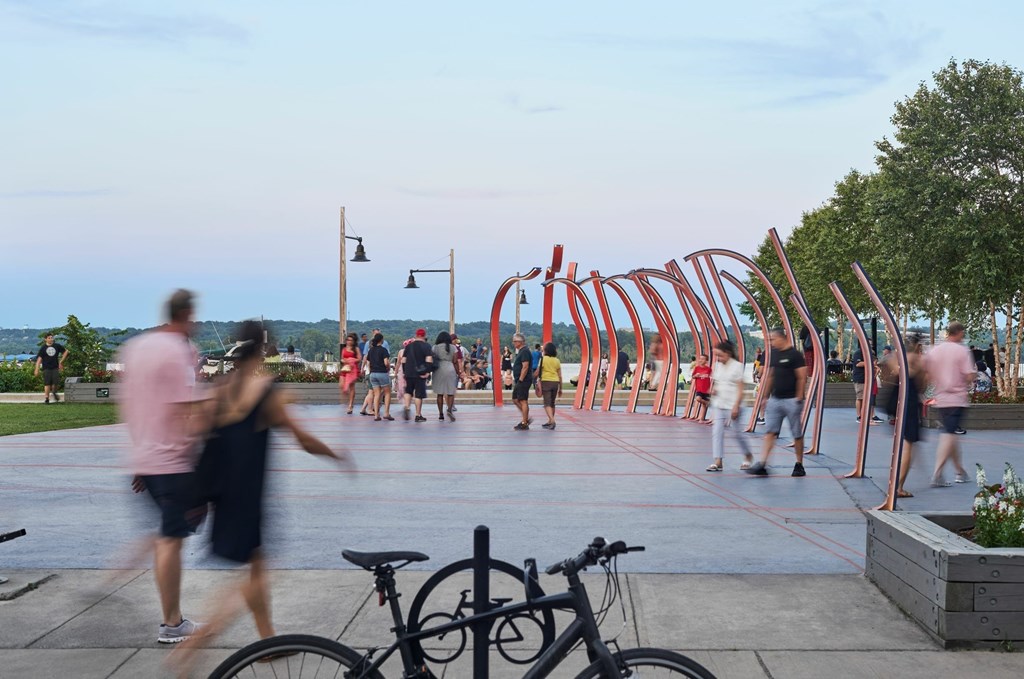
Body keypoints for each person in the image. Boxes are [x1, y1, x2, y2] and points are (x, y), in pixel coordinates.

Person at [176, 320, 352, 667]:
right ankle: (195, 644)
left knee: (255, 568)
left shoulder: (222, 387)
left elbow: (196, 433)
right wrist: (338, 455)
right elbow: (303, 440)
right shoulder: (264, 392)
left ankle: (267, 642)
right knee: (251, 581)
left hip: (222, 495)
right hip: (247, 497)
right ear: (264, 350)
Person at [118, 289, 206, 644]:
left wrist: (140, 456)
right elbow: (186, 408)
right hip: (173, 461)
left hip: (146, 459)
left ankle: (172, 617)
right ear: (186, 314)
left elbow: (134, 405)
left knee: (168, 535)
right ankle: (172, 624)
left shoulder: (136, 348)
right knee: (170, 538)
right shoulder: (180, 351)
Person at [747, 328, 808, 477]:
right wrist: (765, 396)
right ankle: (763, 464)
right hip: (775, 399)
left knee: (796, 433)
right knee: (770, 432)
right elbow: (770, 376)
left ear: (782, 338)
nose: (771, 342)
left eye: (772, 339)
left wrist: (799, 397)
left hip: (792, 399)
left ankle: (799, 464)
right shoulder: (773, 354)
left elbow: (802, 376)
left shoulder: (795, 355)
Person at [926, 321, 975, 487]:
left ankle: (960, 471)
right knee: (948, 433)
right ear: (959, 332)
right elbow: (968, 375)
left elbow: (928, 373)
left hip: (941, 398)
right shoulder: (962, 350)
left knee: (951, 432)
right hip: (957, 398)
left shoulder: (935, 350)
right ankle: (937, 473)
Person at [706, 340, 753, 472]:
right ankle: (718, 461)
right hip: (720, 404)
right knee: (717, 432)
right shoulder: (718, 366)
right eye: (716, 356)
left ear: (728, 353)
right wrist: (714, 390)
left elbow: (740, 388)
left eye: (720, 355)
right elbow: (717, 382)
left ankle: (748, 456)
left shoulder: (737, 366)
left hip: (734, 405)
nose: (718, 359)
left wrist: (736, 406)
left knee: (737, 434)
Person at [893, 335, 926, 498]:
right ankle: (898, 487)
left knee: (901, 444)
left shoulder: (898, 358)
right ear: (917, 346)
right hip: (911, 404)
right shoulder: (916, 360)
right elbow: (922, 384)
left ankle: (895, 482)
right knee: (908, 446)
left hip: (898, 403)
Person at [401, 328, 434, 422]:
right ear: (424, 335)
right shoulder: (426, 346)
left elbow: (403, 360)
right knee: (418, 395)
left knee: (408, 391)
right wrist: (427, 371)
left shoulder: (409, 346)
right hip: (420, 374)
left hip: (409, 372)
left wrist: (405, 371)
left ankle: (407, 407)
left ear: (416, 335)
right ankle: (418, 414)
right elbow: (429, 360)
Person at [365, 333, 393, 420]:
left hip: (373, 374)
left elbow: (368, 363)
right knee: (387, 393)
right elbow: (386, 362)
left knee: (376, 395)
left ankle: (376, 415)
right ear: (381, 340)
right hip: (382, 373)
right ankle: (386, 413)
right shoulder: (384, 350)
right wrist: (388, 367)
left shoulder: (371, 350)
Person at [34, 333, 69, 404]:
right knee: (47, 384)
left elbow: (66, 352)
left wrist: (61, 362)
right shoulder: (43, 348)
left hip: (55, 367)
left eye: (52, 338)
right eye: (49, 338)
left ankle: (54, 392)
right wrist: (36, 369)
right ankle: (47, 398)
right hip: (46, 368)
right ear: (45, 339)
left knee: (55, 383)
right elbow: (39, 360)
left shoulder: (57, 346)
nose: (51, 339)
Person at [432, 331, 459, 421]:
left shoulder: (435, 347)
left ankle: (440, 414)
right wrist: (458, 372)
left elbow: (432, 359)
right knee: (450, 392)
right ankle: (449, 410)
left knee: (440, 393)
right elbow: (455, 361)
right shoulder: (453, 347)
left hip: (438, 369)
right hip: (450, 368)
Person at [536, 342, 563, 429]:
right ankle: (550, 421)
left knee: (547, 403)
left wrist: (531, 376)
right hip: (555, 382)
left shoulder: (543, 359)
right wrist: (561, 388)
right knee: (552, 403)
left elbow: (537, 372)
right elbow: (560, 376)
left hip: (546, 382)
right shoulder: (557, 360)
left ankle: (552, 421)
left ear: (546, 350)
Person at [511, 333, 532, 430]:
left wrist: (521, 379)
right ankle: (526, 418)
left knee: (523, 400)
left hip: (523, 380)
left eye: (515, 341)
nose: (513, 343)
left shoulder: (524, 351)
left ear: (520, 342)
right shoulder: (521, 351)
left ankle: (524, 422)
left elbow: (525, 366)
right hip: (519, 380)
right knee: (515, 399)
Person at [339, 333, 362, 414]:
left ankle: (350, 405)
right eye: (348, 340)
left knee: (351, 387)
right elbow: (342, 358)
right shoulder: (344, 349)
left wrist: (352, 360)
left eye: (351, 340)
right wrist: (344, 361)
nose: (349, 341)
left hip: (352, 370)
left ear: (353, 341)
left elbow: (359, 358)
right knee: (342, 385)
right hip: (345, 369)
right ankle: (348, 400)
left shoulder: (356, 349)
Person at [688, 354, 712, 422]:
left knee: (703, 405)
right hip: (699, 388)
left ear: (706, 361)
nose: (700, 360)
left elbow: (712, 377)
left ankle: (701, 418)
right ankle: (707, 402)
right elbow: (693, 377)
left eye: (703, 359)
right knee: (698, 399)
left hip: (706, 389)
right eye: (700, 359)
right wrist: (696, 375)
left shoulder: (709, 369)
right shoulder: (697, 368)